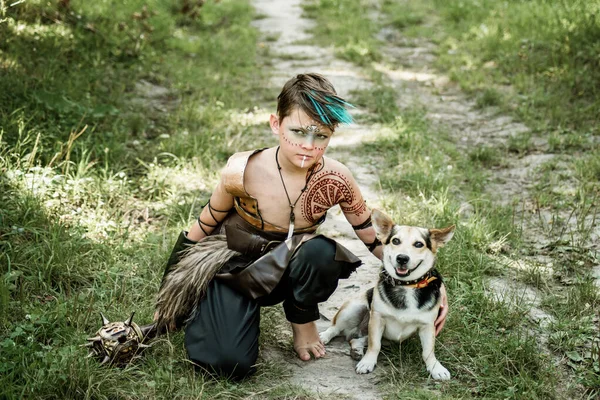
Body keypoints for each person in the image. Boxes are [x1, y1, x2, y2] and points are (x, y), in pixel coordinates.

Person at [154, 73, 448, 380]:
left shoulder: (337, 178)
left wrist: (430, 282)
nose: (308, 146)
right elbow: (202, 226)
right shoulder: (242, 171)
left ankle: (302, 319)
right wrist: (170, 296)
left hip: (291, 266)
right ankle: (228, 313)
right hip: (234, 269)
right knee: (226, 364)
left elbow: (378, 242)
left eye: (320, 136)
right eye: (297, 131)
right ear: (275, 124)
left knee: (321, 253)